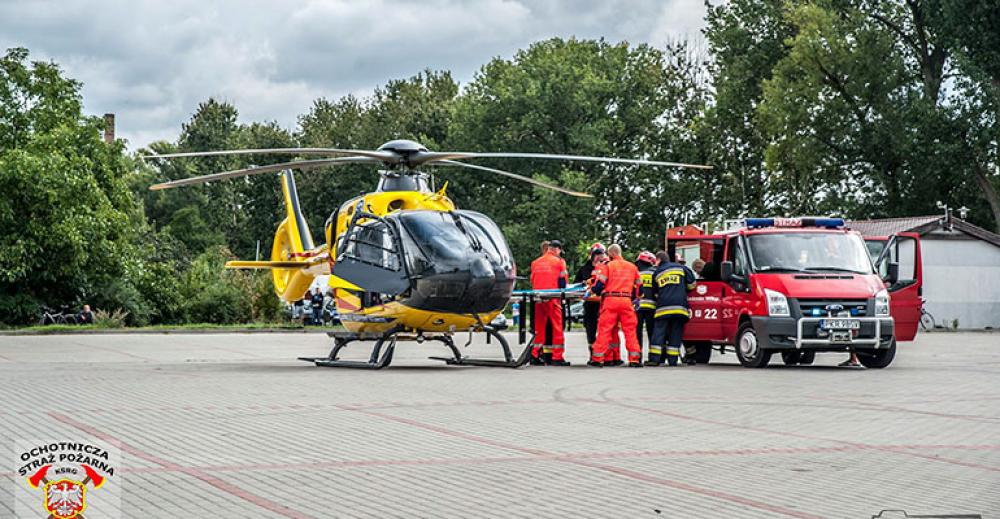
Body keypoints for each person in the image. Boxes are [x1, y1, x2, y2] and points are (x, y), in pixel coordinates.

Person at [589, 244, 642, 367]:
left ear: (611, 254)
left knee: (605, 330)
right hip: (626, 301)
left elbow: (598, 287)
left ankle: (598, 359)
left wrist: (593, 289)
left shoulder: (607, 266)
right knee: (630, 331)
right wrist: (632, 298)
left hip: (610, 300)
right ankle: (634, 359)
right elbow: (640, 288)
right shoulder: (632, 267)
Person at [647, 251, 697, 366]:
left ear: (658, 260)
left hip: (663, 308)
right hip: (680, 308)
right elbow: (692, 284)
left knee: (659, 333)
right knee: (676, 333)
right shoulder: (681, 268)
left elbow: (655, 293)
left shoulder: (657, 272)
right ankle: (672, 360)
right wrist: (683, 289)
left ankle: (654, 359)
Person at [529, 239, 570, 366]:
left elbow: (533, 279)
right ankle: (557, 357)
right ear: (556, 249)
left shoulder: (535, 262)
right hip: (553, 297)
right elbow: (563, 282)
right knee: (557, 327)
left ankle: (534, 354)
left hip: (538, 298)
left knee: (539, 328)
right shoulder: (559, 262)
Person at [574, 243, 607, 356]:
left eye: (601, 254)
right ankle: (593, 353)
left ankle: (605, 355)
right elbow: (576, 285)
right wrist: (583, 284)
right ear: (591, 255)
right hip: (590, 303)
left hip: (604, 303)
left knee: (605, 330)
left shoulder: (607, 267)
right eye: (596, 254)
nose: (598, 257)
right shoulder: (584, 269)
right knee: (590, 329)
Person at [635, 251, 658, 351]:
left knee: (637, 333)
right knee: (652, 333)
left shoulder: (636, 273)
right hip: (652, 307)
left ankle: (637, 357)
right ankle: (653, 357)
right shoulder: (654, 273)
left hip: (637, 307)